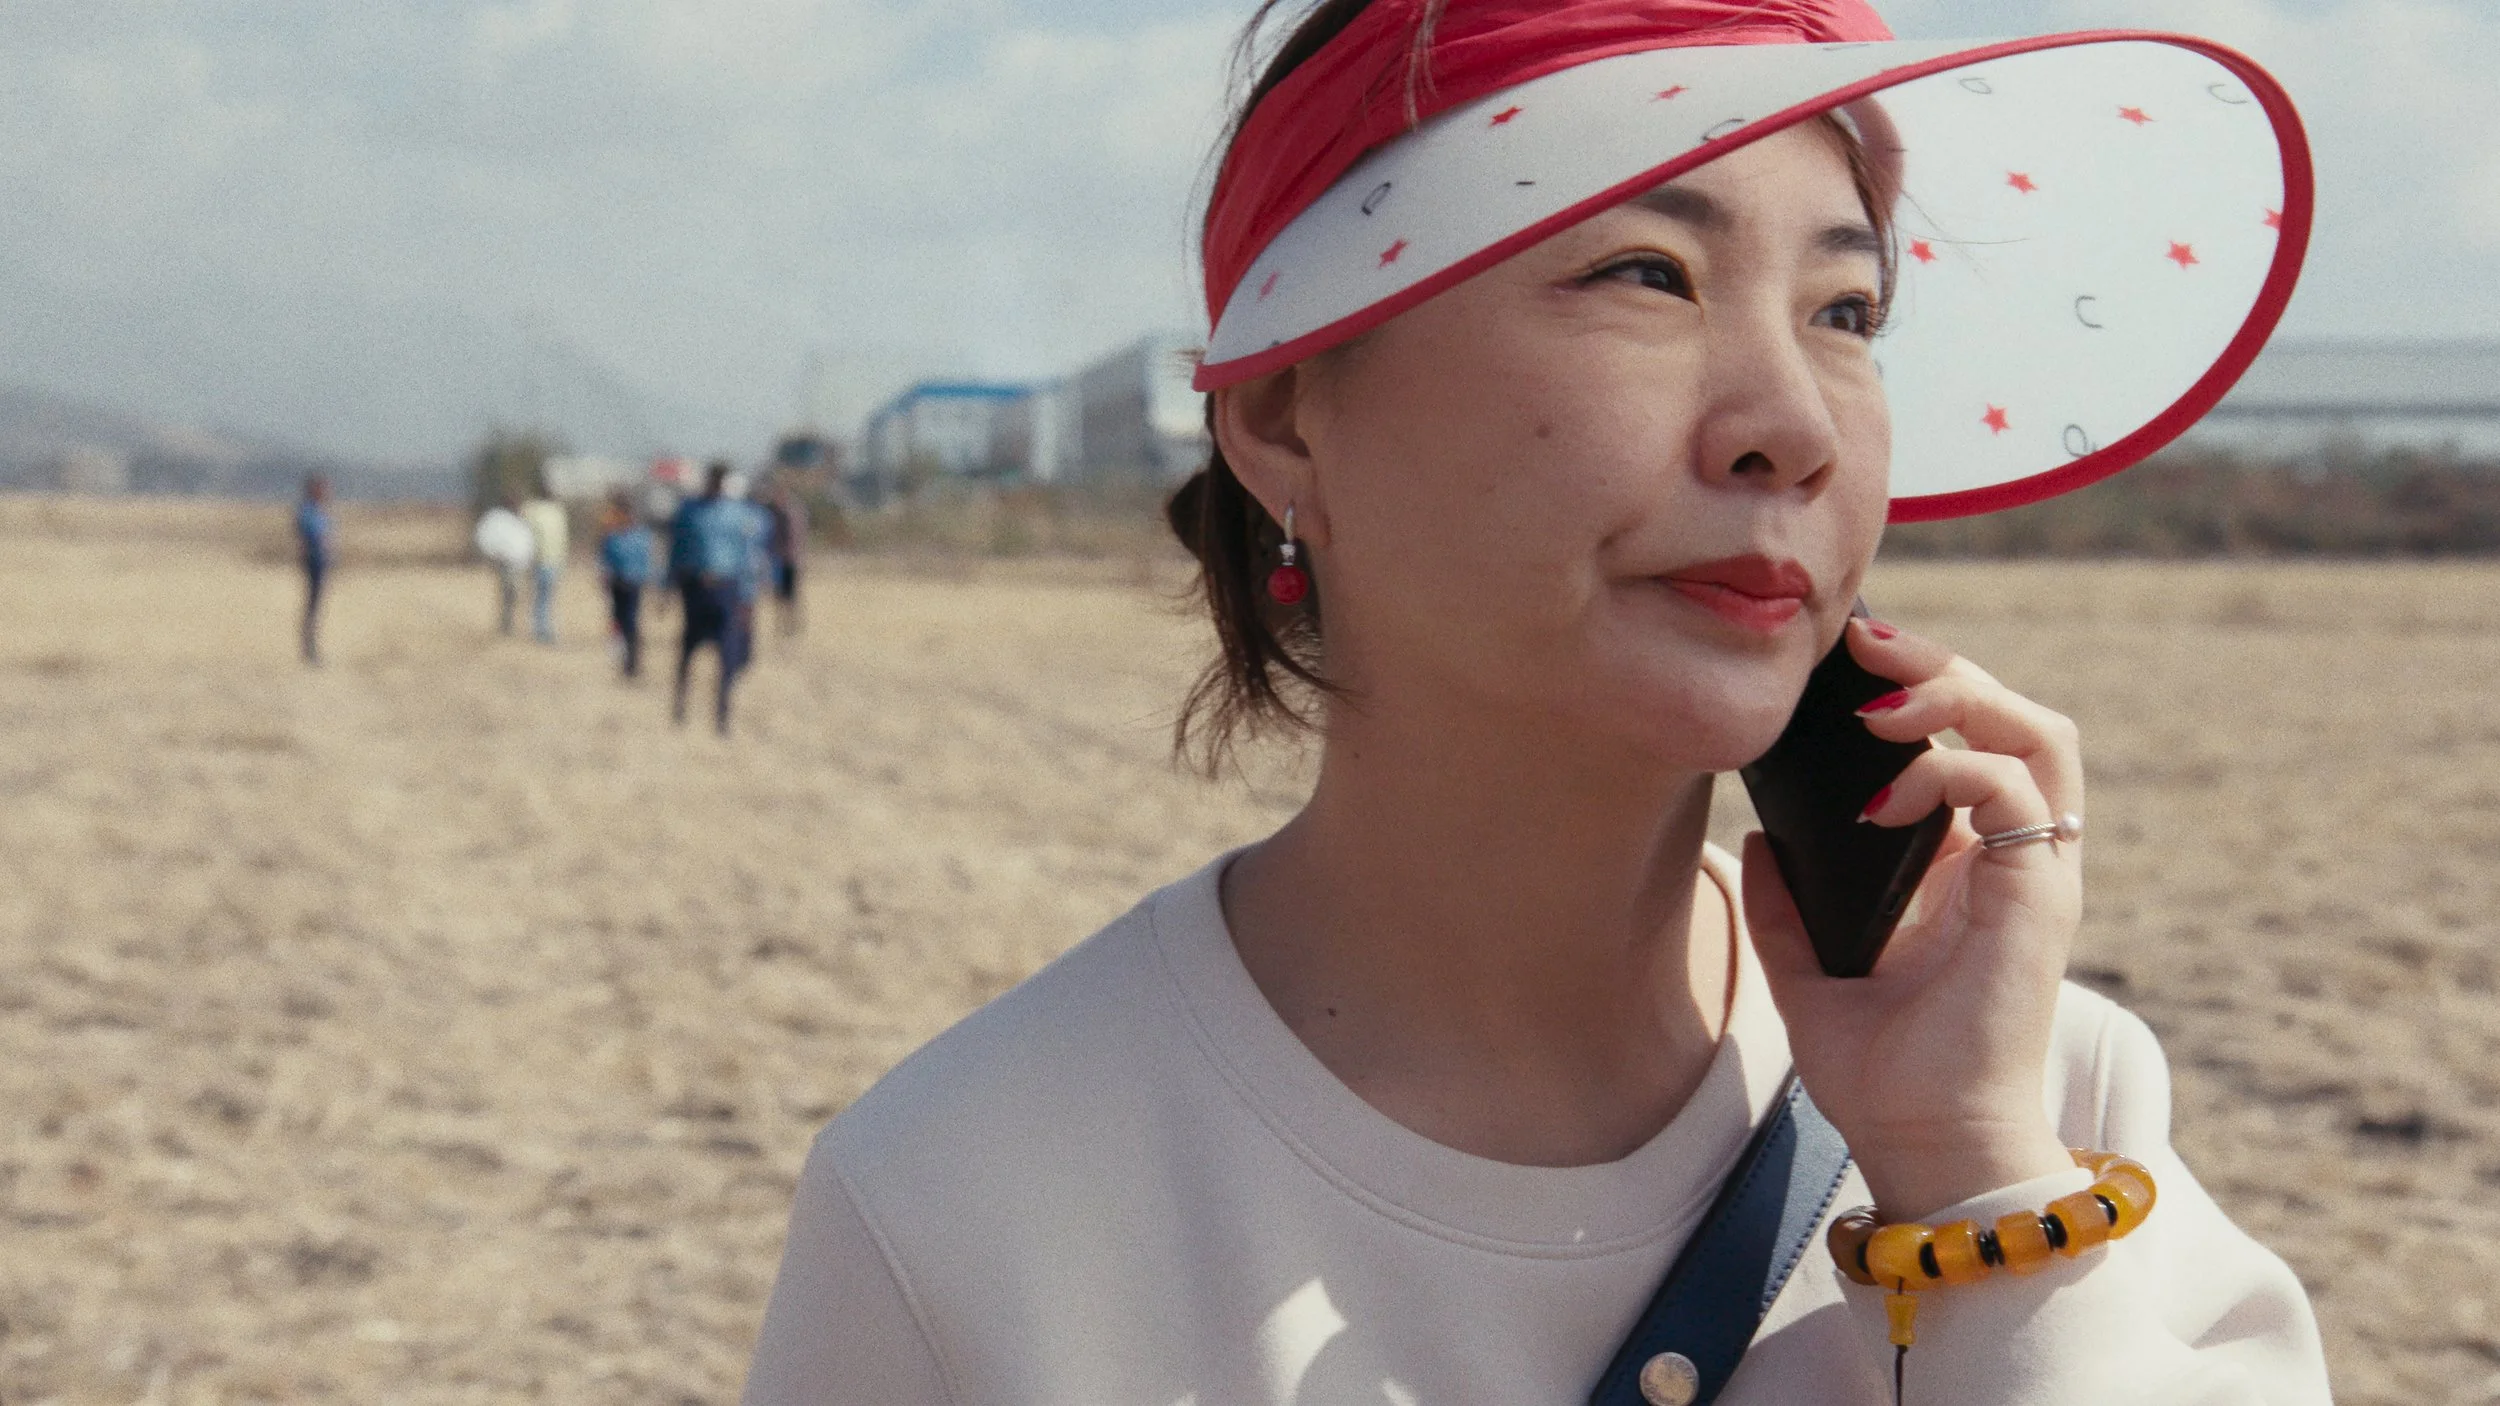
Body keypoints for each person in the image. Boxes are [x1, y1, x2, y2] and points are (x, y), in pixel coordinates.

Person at [744, 3, 2328, 1403]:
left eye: (1846, 313)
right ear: (1290, 411)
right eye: (1648, 273)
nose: (1794, 424)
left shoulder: (2040, 1091)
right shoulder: (971, 1206)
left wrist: (1977, 1192)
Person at [668, 461, 763, 734]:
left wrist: (746, 596)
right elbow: (677, 550)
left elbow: (747, 557)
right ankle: (680, 705)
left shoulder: (738, 515)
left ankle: (722, 714)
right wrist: (667, 586)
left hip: (726, 589)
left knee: (727, 654)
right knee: (688, 648)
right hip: (695, 587)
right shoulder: (689, 512)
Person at [597, 491, 656, 680]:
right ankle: (620, 656)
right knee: (617, 620)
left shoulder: (641, 536)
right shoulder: (611, 536)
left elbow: (646, 561)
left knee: (631, 622)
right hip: (616, 583)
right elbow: (605, 559)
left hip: (633, 584)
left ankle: (632, 662)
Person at [473, 494, 535, 636]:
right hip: (506, 562)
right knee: (510, 592)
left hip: (519, 563)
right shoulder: (498, 519)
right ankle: (507, 624)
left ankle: (509, 622)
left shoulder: (518, 519)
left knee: (514, 594)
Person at [520, 483, 570, 645]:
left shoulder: (532, 510)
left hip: (540, 560)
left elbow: (525, 533)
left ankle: (541, 631)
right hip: (555, 560)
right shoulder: (558, 512)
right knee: (547, 598)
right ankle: (544, 630)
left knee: (541, 598)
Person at [293, 473, 333, 665]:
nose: (326, 492)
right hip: (313, 562)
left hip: (322, 563)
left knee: (316, 606)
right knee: (312, 606)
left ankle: (312, 645)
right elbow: (309, 537)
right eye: (322, 488)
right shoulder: (308, 512)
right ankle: (309, 646)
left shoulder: (319, 511)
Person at [765, 481, 810, 636]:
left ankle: (792, 624)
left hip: (790, 560)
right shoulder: (772, 512)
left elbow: (797, 538)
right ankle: (781, 624)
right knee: (778, 594)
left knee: (791, 595)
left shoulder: (792, 513)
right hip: (778, 560)